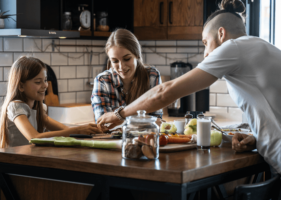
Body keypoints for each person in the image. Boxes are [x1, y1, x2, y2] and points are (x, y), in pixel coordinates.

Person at [97, 0, 281, 175]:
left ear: (221, 34)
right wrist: (256, 137)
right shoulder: (266, 48)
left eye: (205, 42)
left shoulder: (233, 48)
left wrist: (118, 114)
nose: (206, 53)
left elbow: (164, 92)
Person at [0, 56, 100, 149]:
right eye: (38, 82)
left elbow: (65, 130)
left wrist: (90, 129)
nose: (45, 85)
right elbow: (34, 137)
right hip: (14, 164)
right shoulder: (16, 107)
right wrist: (77, 131)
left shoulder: (39, 108)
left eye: (45, 80)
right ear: (21, 86)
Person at [91, 28, 163, 125]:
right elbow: (104, 124)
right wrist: (144, 121)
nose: (121, 67)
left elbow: (157, 120)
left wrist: (118, 120)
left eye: (127, 59)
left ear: (137, 55)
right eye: (115, 61)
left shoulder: (152, 76)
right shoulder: (102, 81)